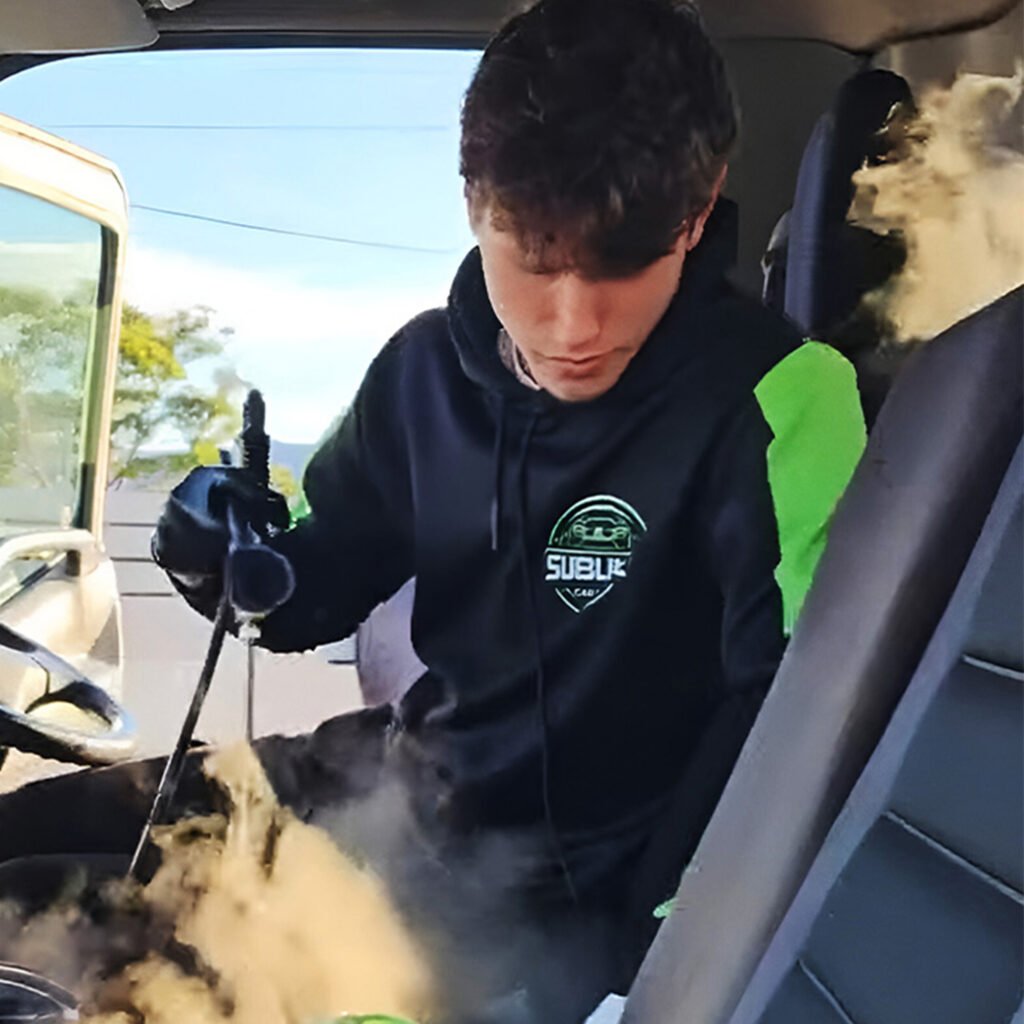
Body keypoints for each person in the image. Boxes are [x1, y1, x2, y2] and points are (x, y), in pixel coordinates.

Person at [3, 1, 866, 1019]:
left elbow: (795, 723)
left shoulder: (779, 397)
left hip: (556, 893)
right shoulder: (422, 371)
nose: (574, 323)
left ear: (699, 208)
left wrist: (661, 959)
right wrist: (214, 548)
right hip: (383, 787)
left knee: (64, 963)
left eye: (626, 263)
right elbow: (302, 596)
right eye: (535, 261)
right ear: (474, 206)